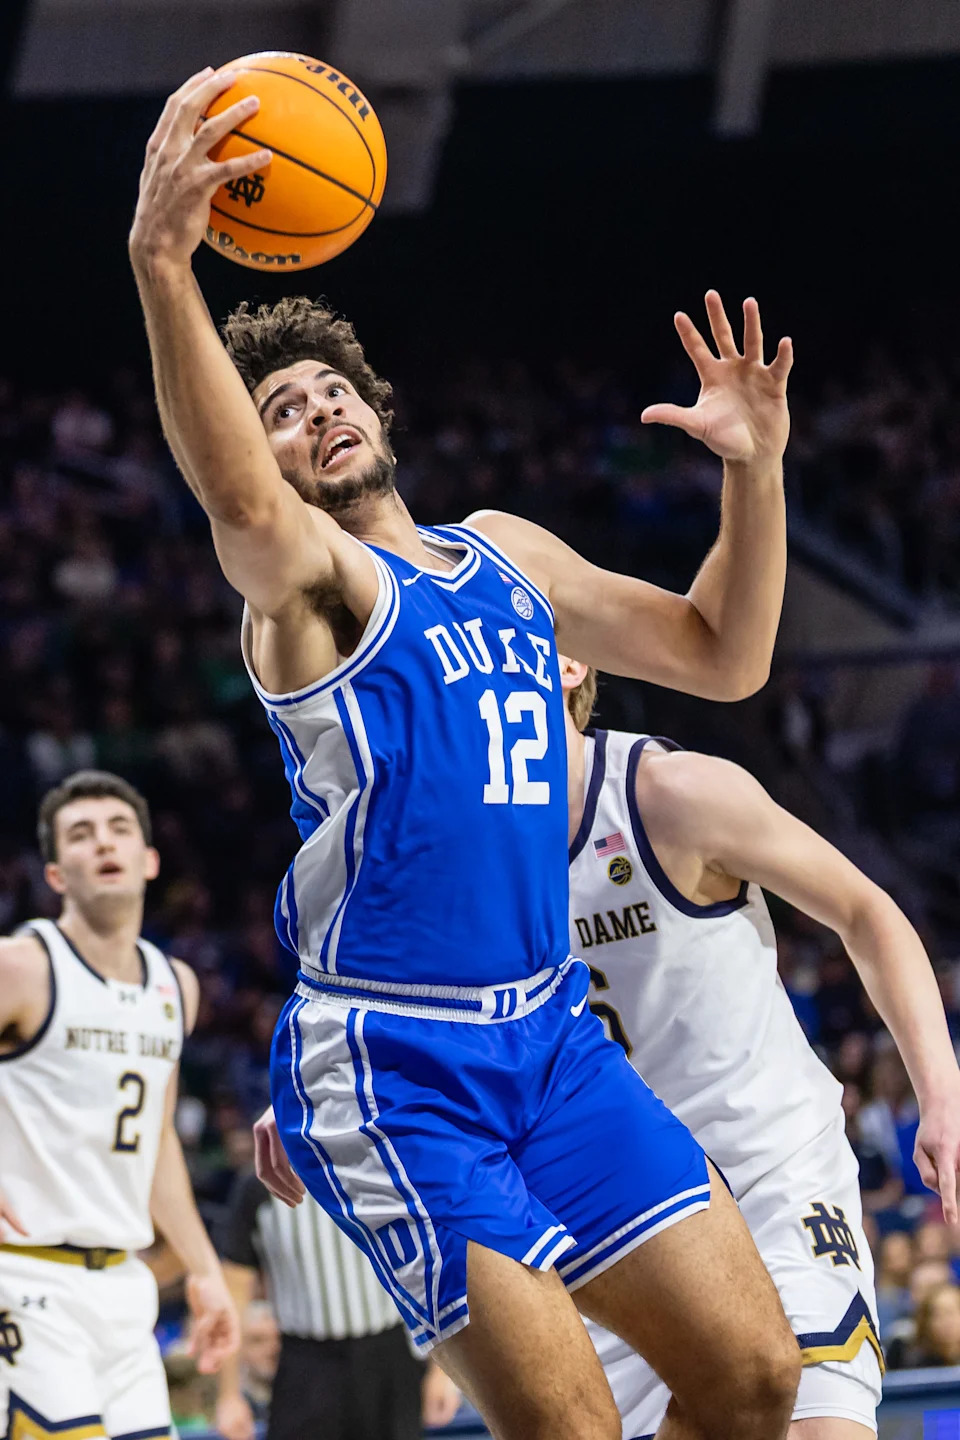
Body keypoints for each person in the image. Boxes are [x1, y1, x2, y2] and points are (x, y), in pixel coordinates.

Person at [129, 66, 799, 1440]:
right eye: (282, 409)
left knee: (752, 1378)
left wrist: (754, 469)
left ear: (376, 405)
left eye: (328, 388)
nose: (316, 409)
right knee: (571, 1429)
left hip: (550, 1035)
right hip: (396, 1060)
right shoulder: (310, 590)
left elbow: (726, 653)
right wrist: (161, 265)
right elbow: (245, 513)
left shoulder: (510, 554)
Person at [559, 660, 960, 1438]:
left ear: (567, 665)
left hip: (766, 1176)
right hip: (623, 1220)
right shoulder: (459, 845)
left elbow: (866, 912)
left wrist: (942, 1094)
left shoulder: (670, 794)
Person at [0, 770, 239, 1439]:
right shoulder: (21, 966)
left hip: (124, 1290)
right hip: (26, 1280)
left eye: (119, 829)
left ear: (149, 859)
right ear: (55, 873)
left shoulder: (176, 986)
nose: (102, 842)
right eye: (80, 834)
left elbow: (157, 1144)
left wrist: (205, 1271)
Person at [215, 1173, 461, 1440]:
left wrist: (445, 1371)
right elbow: (234, 1293)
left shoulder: (382, 1169)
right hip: (305, 1364)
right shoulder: (259, 1187)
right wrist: (228, 1394)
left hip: (389, 1357)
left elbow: (435, 1260)